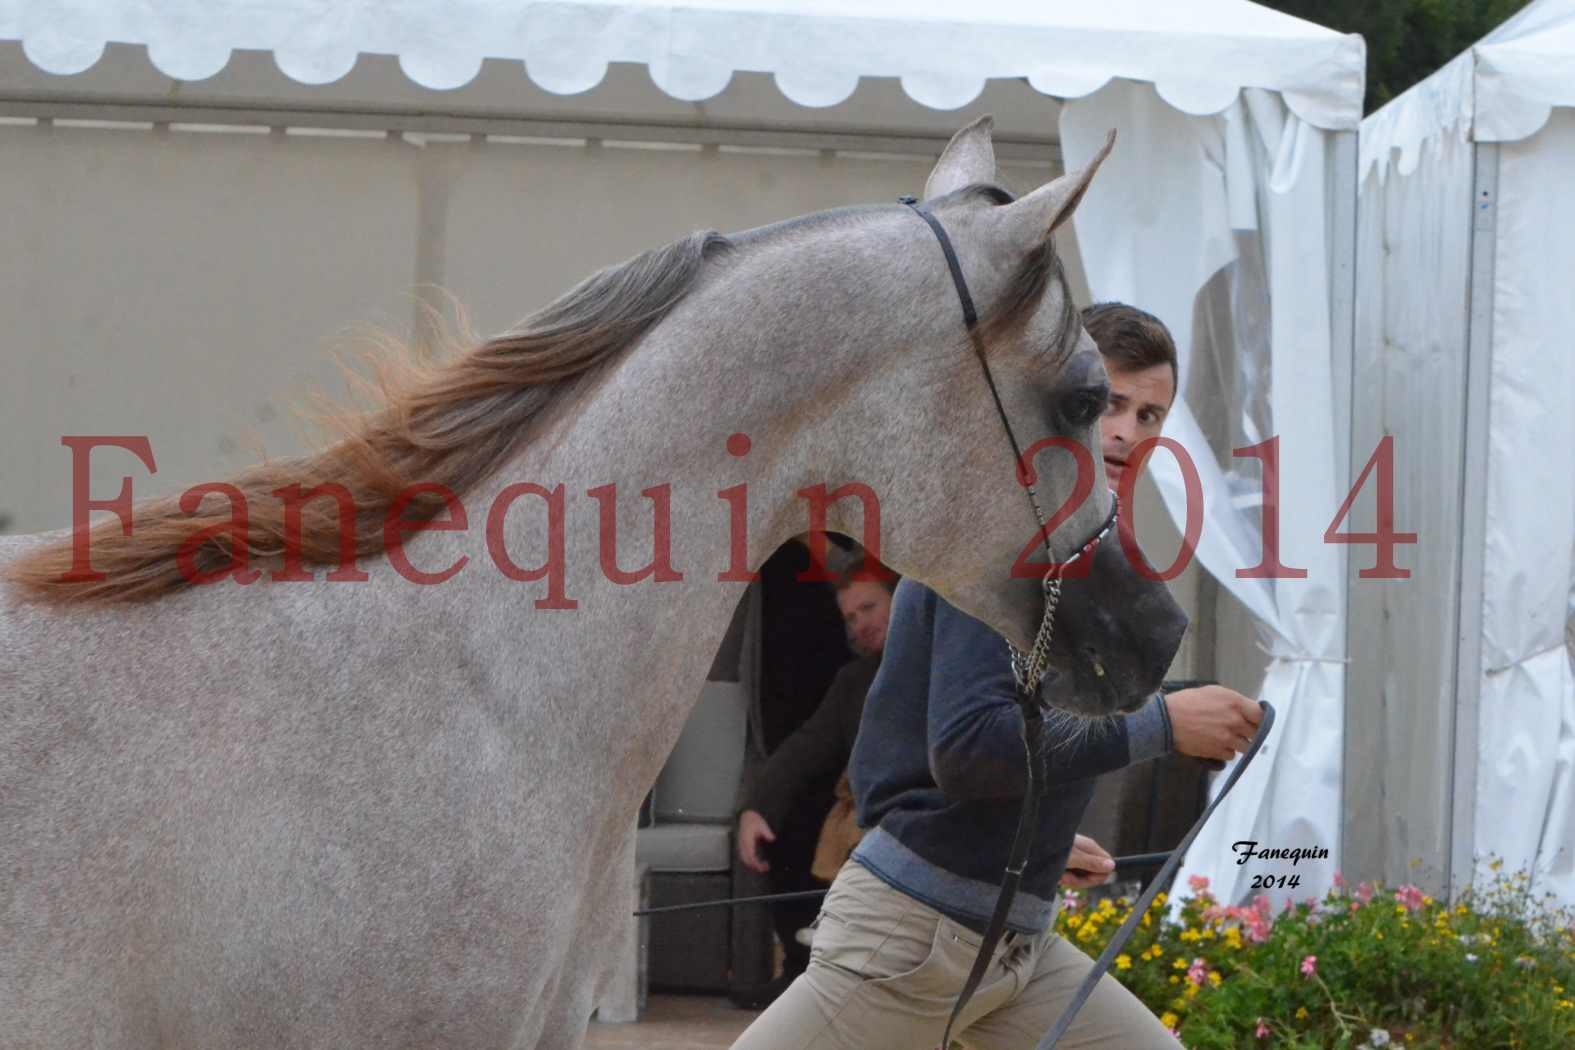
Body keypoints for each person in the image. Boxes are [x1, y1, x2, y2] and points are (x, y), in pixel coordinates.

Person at [730, 303, 1263, 1049]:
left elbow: (959, 745)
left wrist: (1034, 835)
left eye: (1150, 415)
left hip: (1014, 946)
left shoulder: (1068, 541)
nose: (1127, 432)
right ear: (1050, 399)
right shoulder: (997, 537)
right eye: (1108, 402)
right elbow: (973, 747)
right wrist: (1163, 725)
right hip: (909, 941)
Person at [735, 563, 896, 1004]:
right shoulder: (854, 680)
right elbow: (808, 746)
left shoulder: (943, 664)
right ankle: (802, 969)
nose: (861, 624)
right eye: (851, 617)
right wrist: (758, 808)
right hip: (866, 815)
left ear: (901, 600)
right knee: (789, 827)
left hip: (924, 822)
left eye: (869, 607)